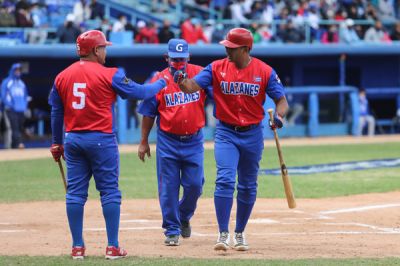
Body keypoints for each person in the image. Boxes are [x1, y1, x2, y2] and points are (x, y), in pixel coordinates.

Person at [48, 30, 168, 260]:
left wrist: (56, 143)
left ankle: (77, 247)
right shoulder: (109, 74)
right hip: (101, 139)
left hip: (73, 139)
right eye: (103, 47)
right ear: (95, 50)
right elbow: (141, 92)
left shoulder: (62, 76)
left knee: (74, 194)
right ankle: (112, 247)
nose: (105, 51)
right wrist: (163, 81)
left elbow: (56, 110)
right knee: (110, 192)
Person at [174, 28, 288, 251]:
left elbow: (281, 100)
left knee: (247, 185)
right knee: (225, 179)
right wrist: (181, 80)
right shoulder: (216, 67)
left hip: (253, 134)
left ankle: (240, 233)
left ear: (246, 49)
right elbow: (191, 87)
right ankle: (223, 233)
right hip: (226, 132)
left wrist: (279, 116)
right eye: (226, 46)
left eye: (232, 47)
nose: (227, 49)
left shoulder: (264, 71)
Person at [137, 39, 211, 246]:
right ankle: (171, 229)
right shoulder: (159, 80)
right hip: (168, 141)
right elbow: (148, 113)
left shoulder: (200, 73)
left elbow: (218, 96)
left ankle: (184, 215)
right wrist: (143, 141)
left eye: (181, 58)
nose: (178, 63)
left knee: (196, 185)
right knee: (168, 187)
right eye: (174, 58)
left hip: (194, 140)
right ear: (166, 57)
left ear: (188, 57)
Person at [1, 63, 29, 149]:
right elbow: (3, 96)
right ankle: (18, 144)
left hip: (21, 110)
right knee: (14, 128)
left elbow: (25, 96)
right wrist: (10, 105)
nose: (18, 72)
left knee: (19, 128)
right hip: (10, 109)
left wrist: (24, 106)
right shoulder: (7, 82)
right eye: (16, 70)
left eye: (19, 70)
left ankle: (15, 147)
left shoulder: (22, 83)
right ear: (12, 71)